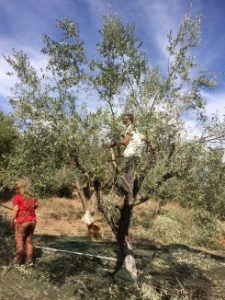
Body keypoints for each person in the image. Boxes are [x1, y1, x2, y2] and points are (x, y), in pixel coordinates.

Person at [109, 113, 143, 194]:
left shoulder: (130, 128)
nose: (123, 120)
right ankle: (126, 192)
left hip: (131, 154)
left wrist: (114, 143)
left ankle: (123, 191)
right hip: (137, 154)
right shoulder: (135, 129)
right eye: (124, 118)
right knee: (128, 173)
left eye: (125, 118)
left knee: (125, 172)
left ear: (129, 120)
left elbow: (125, 142)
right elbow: (143, 138)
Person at [11, 181, 38, 266]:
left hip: (22, 221)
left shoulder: (17, 197)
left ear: (18, 188)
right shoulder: (32, 196)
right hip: (33, 221)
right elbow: (36, 205)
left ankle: (19, 263)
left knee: (20, 241)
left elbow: (15, 209)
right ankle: (30, 262)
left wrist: (12, 220)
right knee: (29, 241)